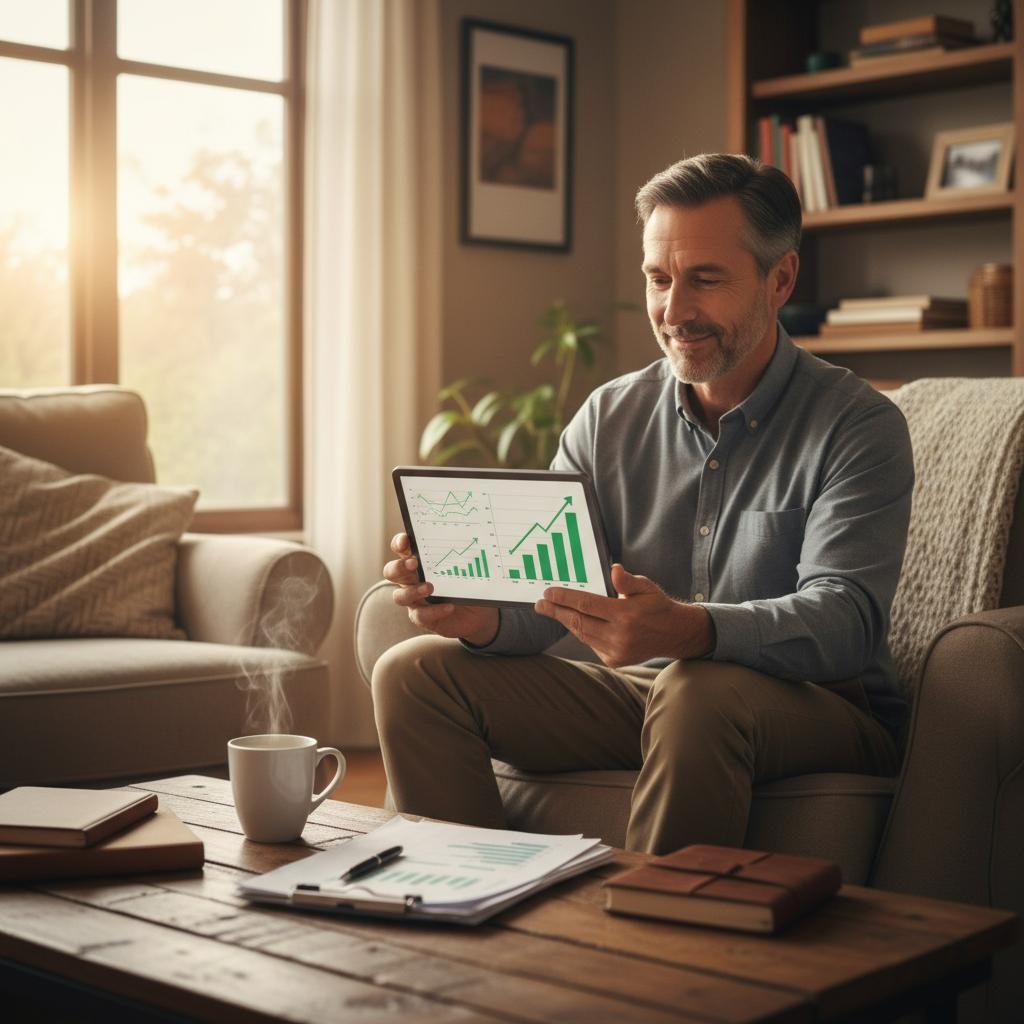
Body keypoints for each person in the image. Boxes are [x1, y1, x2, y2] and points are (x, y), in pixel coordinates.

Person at [373, 153, 913, 854]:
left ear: (780, 279)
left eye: (705, 280)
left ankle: (652, 927)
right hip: (651, 697)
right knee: (413, 672)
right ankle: (470, 900)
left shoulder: (858, 425)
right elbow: (554, 592)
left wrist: (688, 631)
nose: (674, 311)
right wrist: (481, 619)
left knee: (698, 689)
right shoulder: (609, 418)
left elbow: (846, 622)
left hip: (819, 707)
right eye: (659, 279)